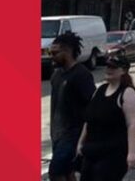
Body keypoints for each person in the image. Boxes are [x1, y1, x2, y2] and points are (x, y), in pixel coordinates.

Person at [76, 54, 135, 180]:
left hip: (113, 153)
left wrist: (132, 153)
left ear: (123, 70)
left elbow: (132, 124)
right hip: (92, 150)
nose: (108, 70)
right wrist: (80, 143)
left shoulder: (127, 92)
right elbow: (88, 120)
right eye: (107, 66)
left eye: (113, 67)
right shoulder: (100, 90)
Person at [48, 31, 96, 181]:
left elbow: (92, 105)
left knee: (56, 172)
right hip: (57, 134)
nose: (51, 56)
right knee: (68, 171)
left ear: (67, 51)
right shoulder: (56, 75)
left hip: (73, 134)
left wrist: (85, 136)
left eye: (55, 52)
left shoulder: (81, 75)